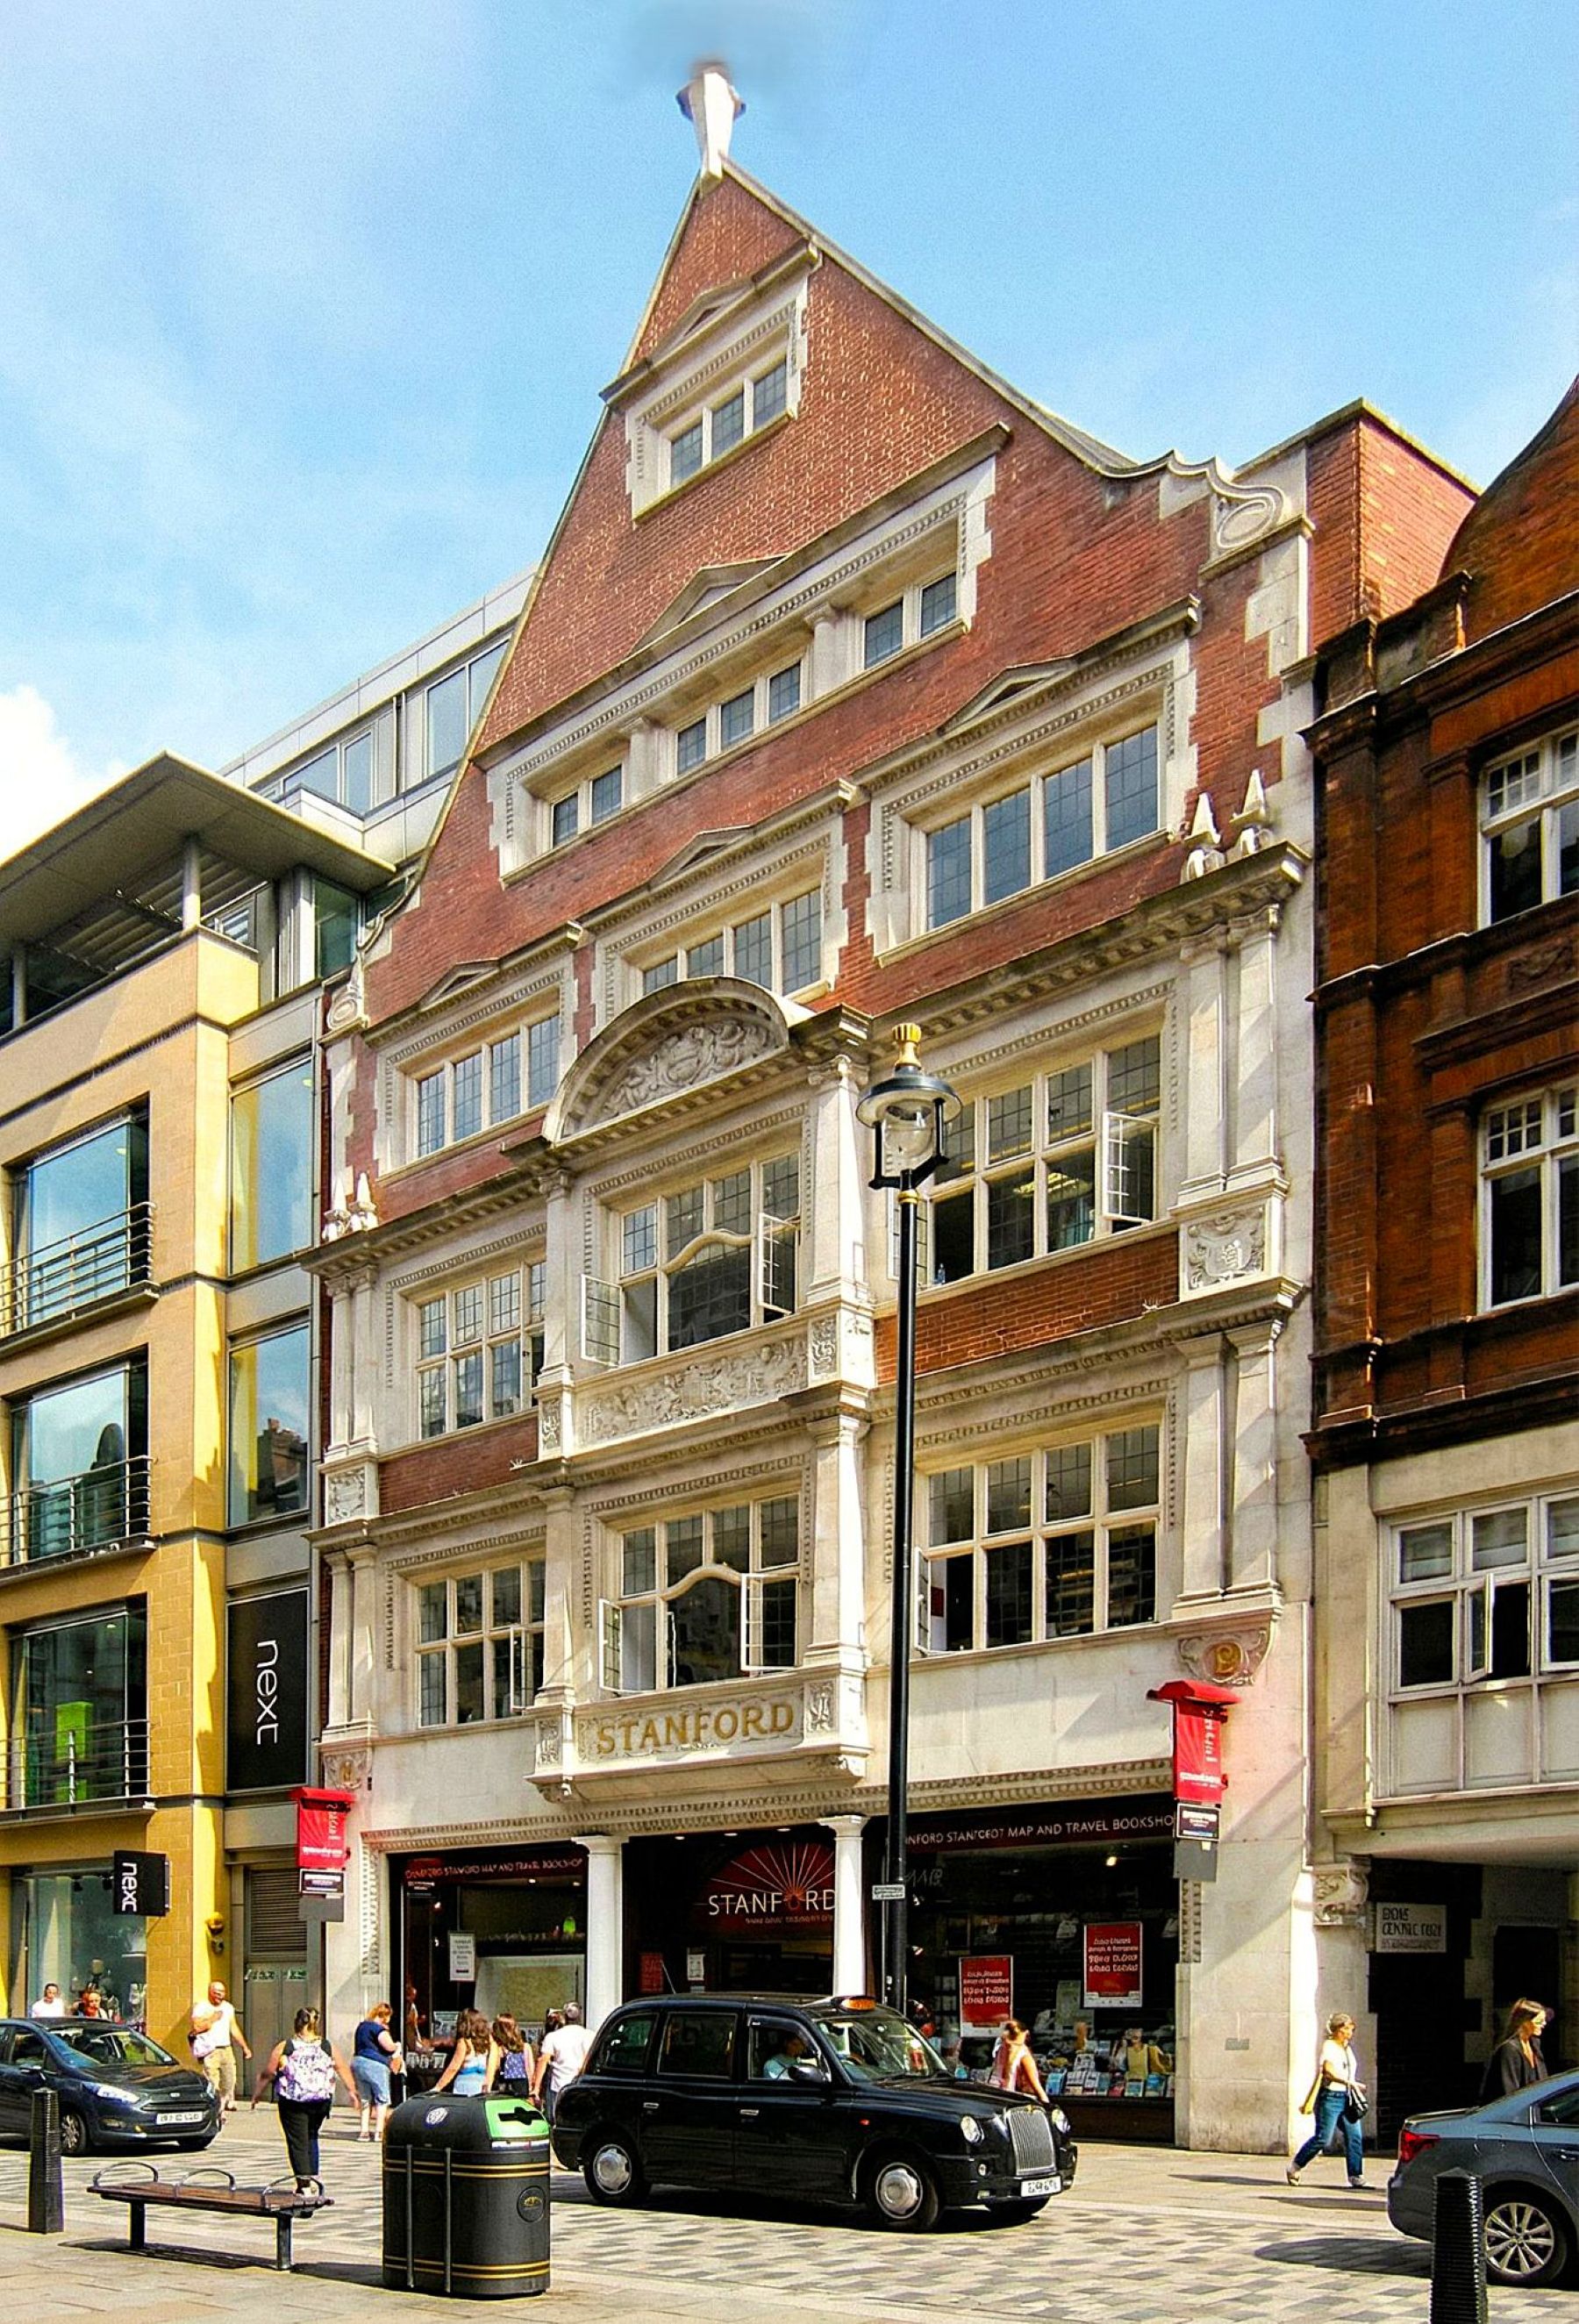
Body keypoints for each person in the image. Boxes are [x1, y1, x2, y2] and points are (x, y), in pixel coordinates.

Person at [252, 2006, 356, 2192]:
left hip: (294, 2102)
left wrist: (257, 2094)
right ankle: (312, 2177)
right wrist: (352, 2092)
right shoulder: (326, 2046)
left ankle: (304, 2184)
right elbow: (342, 2068)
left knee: (297, 2141)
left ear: (297, 2022)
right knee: (311, 2136)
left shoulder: (286, 2046)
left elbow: (268, 2072)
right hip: (320, 2101)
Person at [1288, 2011, 1368, 2189]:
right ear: (1337, 2030)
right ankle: (1296, 2166)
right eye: (1347, 2028)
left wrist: (1352, 2087)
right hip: (1331, 2097)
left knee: (1354, 2136)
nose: (1350, 2032)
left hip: (1347, 2097)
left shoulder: (1347, 2048)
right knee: (1324, 2138)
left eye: (1351, 2028)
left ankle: (1356, 2175)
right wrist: (1349, 2082)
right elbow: (1329, 2071)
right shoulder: (1329, 2046)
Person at [190, 1980, 252, 2116]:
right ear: (210, 1993)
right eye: (217, 1993)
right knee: (213, 2081)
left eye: (222, 1993)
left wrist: (245, 2047)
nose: (220, 1996)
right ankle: (217, 2111)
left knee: (229, 2081)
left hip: (226, 2049)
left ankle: (222, 2106)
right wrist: (213, 2018)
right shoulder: (201, 2007)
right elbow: (196, 2027)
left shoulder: (228, 2007)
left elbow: (233, 2028)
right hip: (210, 2051)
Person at [532, 2001, 591, 2123]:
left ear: (565, 2016)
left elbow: (543, 2061)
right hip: (581, 2086)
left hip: (558, 2086)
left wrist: (536, 2088)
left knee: (556, 2122)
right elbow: (588, 2060)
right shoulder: (590, 2035)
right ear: (581, 2016)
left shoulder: (553, 2037)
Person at [1481, 1999, 1551, 2099]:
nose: (1544, 2024)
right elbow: (1508, 2090)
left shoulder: (1535, 2045)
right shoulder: (1509, 2050)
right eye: (1539, 2021)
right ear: (1525, 2022)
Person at [351, 2000, 402, 2141]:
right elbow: (388, 2046)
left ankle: (364, 2131)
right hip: (375, 2065)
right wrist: (397, 2045)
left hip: (358, 2062)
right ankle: (379, 2131)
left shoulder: (362, 2026)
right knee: (382, 2098)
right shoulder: (377, 2029)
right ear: (385, 2016)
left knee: (365, 2099)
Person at [433, 2007, 498, 2098]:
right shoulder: (492, 2045)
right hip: (481, 2088)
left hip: (463, 2089)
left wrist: (437, 2088)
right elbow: (492, 2070)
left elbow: (453, 2068)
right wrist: (488, 2088)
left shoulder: (464, 2042)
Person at [990, 2017, 1051, 2103]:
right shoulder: (1023, 2054)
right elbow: (1037, 2087)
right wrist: (1048, 2106)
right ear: (1026, 2033)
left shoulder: (1001, 2050)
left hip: (995, 2097)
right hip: (1017, 2102)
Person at [489, 2013, 535, 2094]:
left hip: (515, 2084)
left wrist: (531, 2086)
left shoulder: (524, 2047)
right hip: (508, 2084)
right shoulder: (498, 2047)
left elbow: (530, 2069)